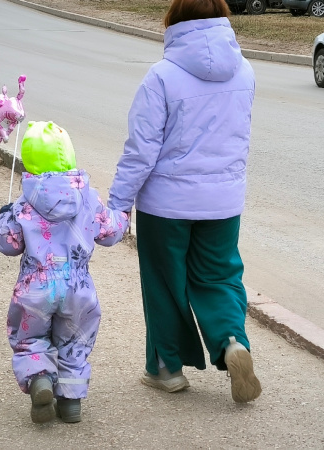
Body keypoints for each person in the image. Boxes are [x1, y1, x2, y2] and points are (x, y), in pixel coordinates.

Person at [107, 0, 262, 403]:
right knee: (219, 276)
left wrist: (118, 205)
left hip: (166, 205)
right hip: (223, 201)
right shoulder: (245, 71)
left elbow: (141, 151)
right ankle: (231, 342)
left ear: (175, 19)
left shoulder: (162, 76)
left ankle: (167, 370)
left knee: (163, 284)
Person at [0, 122, 129, 424]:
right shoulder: (89, 198)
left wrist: (3, 217)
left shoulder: (24, 203)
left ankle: (40, 379)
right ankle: (70, 402)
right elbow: (110, 233)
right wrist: (123, 217)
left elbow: (8, 244)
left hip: (35, 287)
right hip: (78, 288)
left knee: (30, 338)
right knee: (75, 342)